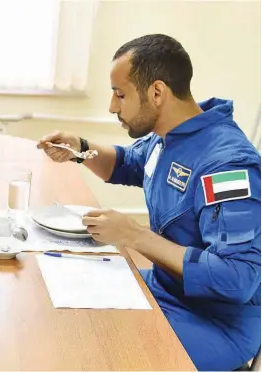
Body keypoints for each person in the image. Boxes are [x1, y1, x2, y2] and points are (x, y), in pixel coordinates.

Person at [38, 34, 260, 371]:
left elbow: (237, 278)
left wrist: (136, 235)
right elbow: (127, 163)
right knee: (69, 306)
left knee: (98, 354)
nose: (113, 107)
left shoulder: (227, 167)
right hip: (166, 289)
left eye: (120, 94)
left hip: (216, 322)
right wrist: (79, 148)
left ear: (157, 93)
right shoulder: (168, 136)